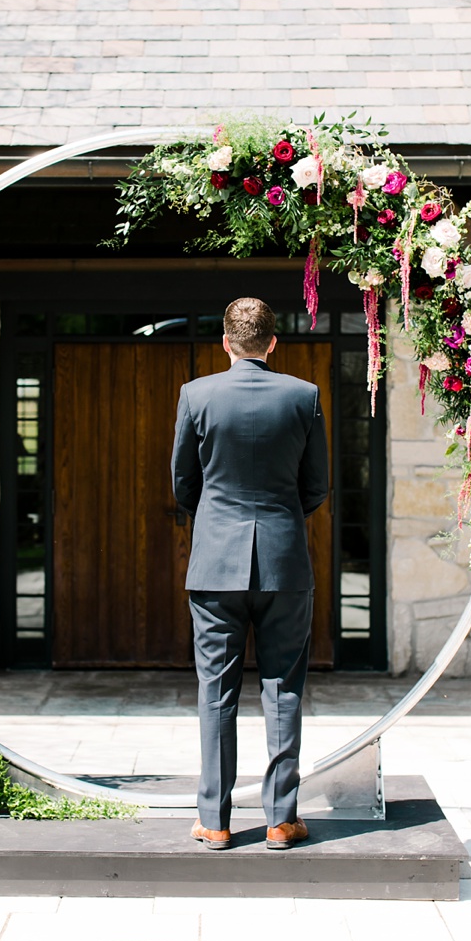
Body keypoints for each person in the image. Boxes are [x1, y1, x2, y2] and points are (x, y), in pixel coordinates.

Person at [171, 297, 329, 851]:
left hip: (215, 562)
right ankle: (281, 820)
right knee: (283, 688)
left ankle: (214, 821)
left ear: (226, 343)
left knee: (215, 692)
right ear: (272, 342)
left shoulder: (197, 395)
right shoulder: (304, 396)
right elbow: (317, 486)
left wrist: (218, 522)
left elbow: (182, 484)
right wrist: (280, 520)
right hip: (285, 562)